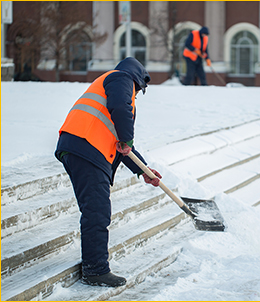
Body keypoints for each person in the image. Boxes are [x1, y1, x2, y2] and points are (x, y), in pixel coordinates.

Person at [55, 57, 162, 287]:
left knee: (95, 208)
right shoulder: (121, 78)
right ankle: (95, 269)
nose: (135, 96)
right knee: (97, 210)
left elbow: (123, 146)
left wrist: (143, 171)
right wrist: (126, 137)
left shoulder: (109, 89)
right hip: (86, 147)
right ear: (138, 80)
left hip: (80, 147)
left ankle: (94, 266)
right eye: (138, 91)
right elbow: (122, 113)